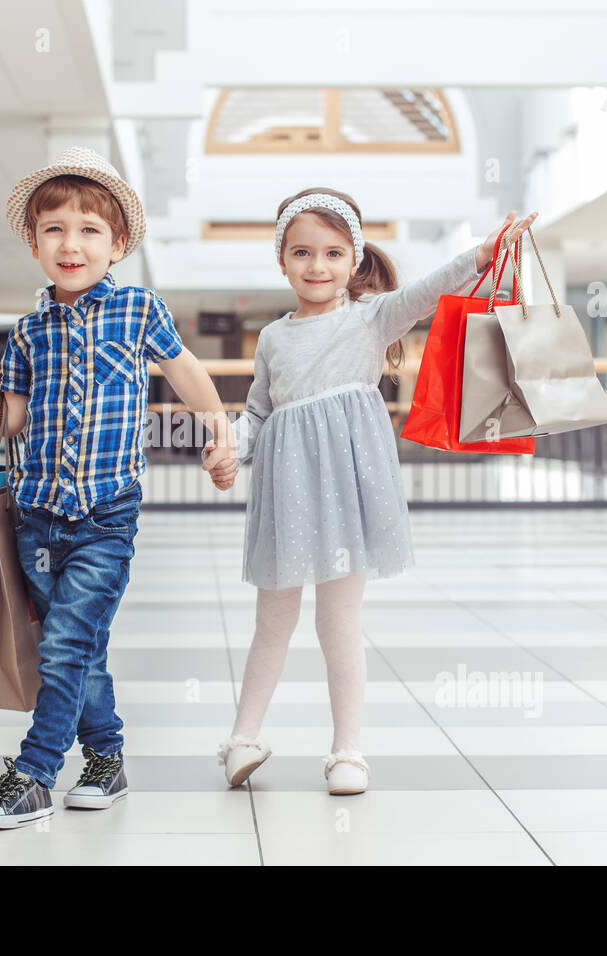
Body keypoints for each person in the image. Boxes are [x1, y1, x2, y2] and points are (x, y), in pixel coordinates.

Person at [0, 147, 236, 828]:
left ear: (118, 244)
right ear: (34, 243)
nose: (72, 243)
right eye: (55, 229)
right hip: (35, 517)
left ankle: (34, 774)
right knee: (74, 645)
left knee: (66, 643)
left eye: (90, 230)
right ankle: (107, 757)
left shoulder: (139, 310)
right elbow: (10, 416)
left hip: (104, 517)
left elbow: (184, 372)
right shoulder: (30, 332)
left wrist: (218, 430)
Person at [203, 189, 535, 794]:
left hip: (345, 491)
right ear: (282, 260)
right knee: (272, 619)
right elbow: (257, 413)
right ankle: (242, 737)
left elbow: (428, 290)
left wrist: (484, 253)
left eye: (332, 252)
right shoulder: (273, 339)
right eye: (301, 252)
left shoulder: (371, 318)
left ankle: (346, 750)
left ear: (354, 260)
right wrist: (228, 449)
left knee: (339, 621)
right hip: (286, 493)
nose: (317, 266)